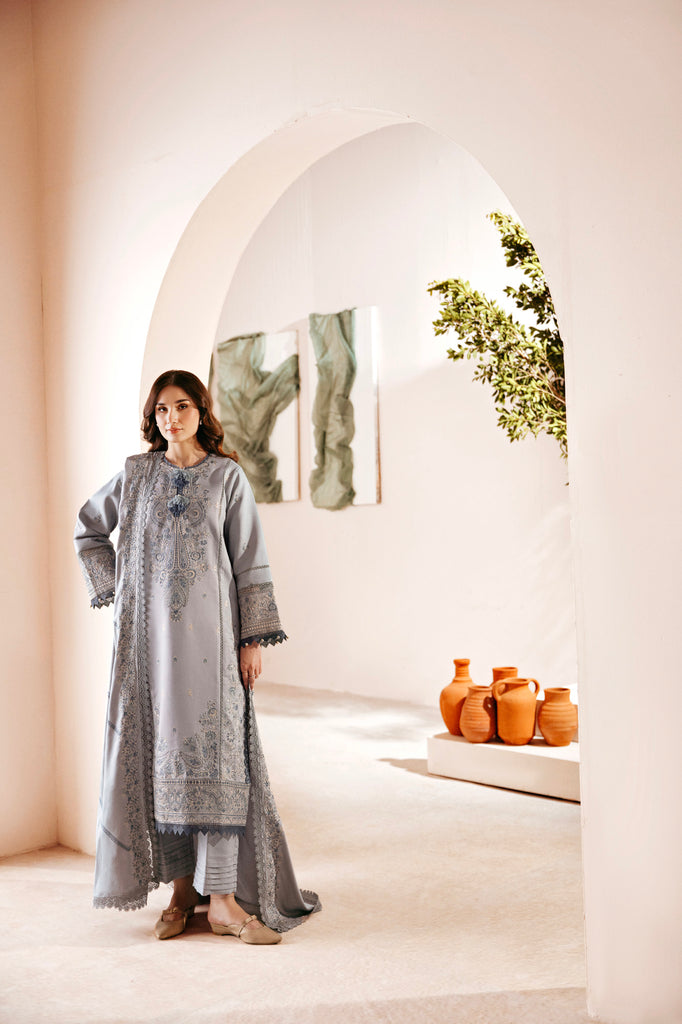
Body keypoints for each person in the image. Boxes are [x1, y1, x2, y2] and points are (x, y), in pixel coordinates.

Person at [74, 369, 319, 943]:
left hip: (213, 644)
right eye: (161, 409)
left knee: (217, 760)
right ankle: (182, 894)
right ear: (153, 417)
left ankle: (225, 902)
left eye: (182, 406)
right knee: (164, 763)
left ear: (200, 412)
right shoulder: (136, 476)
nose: (171, 418)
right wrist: (117, 591)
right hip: (149, 650)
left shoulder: (226, 476)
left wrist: (251, 640)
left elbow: (249, 558)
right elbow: (89, 530)